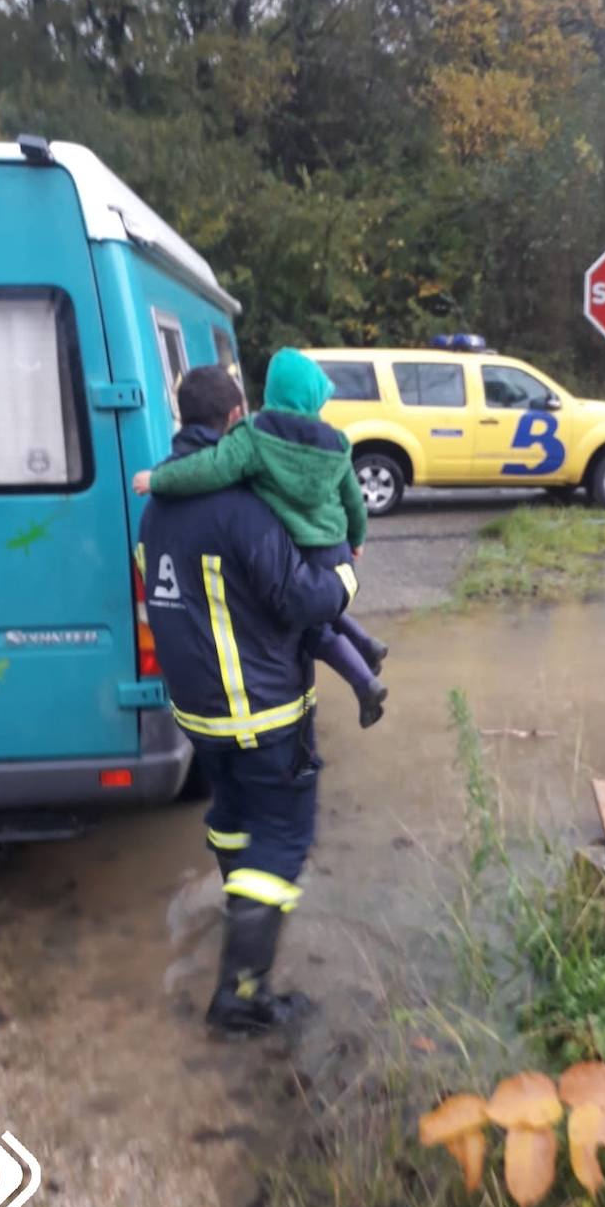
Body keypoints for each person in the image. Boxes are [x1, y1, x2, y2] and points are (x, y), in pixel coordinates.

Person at [137, 365, 358, 1034]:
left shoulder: (157, 507)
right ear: (236, 418)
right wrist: (344, 570)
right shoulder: (241, 508)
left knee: (232, 816)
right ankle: (239, 996)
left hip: (198, 715)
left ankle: (237, 903)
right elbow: (304, 599)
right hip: (263, 715)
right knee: (284, 839)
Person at [133, 348, 389, 727]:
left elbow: (210, 468)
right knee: (327, 602)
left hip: (294, 543)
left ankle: (364, 682)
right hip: (333, 545)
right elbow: (353, 497)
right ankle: (366, 646)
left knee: (312, 627)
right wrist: (358, 538)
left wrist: (157, 479)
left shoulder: (255, 435)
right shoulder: (336, 444)